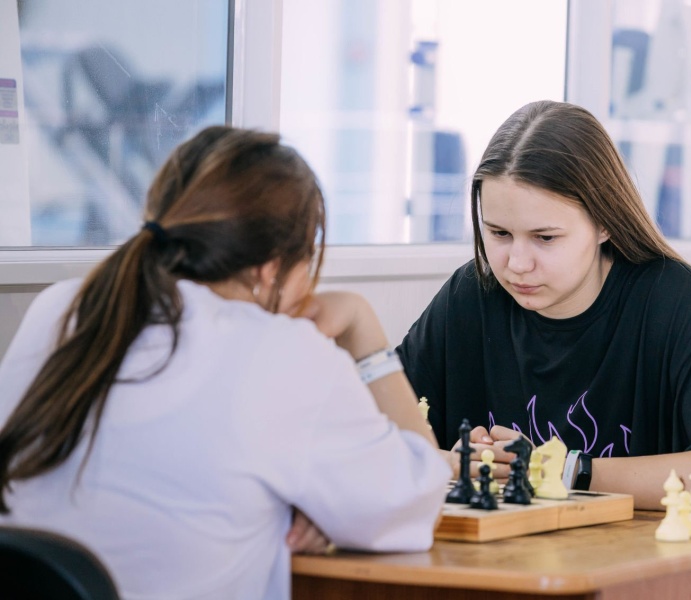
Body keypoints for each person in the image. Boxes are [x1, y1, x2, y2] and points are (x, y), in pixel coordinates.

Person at [0, 126, 451, 599]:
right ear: (271, 269)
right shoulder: (283, 351)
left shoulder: (63, 308)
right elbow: (418, 503)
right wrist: (363, 330)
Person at [397, 100, 691, 514]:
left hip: (630, 552)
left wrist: (563, 470)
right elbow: (366, 437)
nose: (517, 263)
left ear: (604, 222)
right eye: (499, 233)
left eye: (545, 238)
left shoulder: (669, 298)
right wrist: (450, 463)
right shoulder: (471, 294)